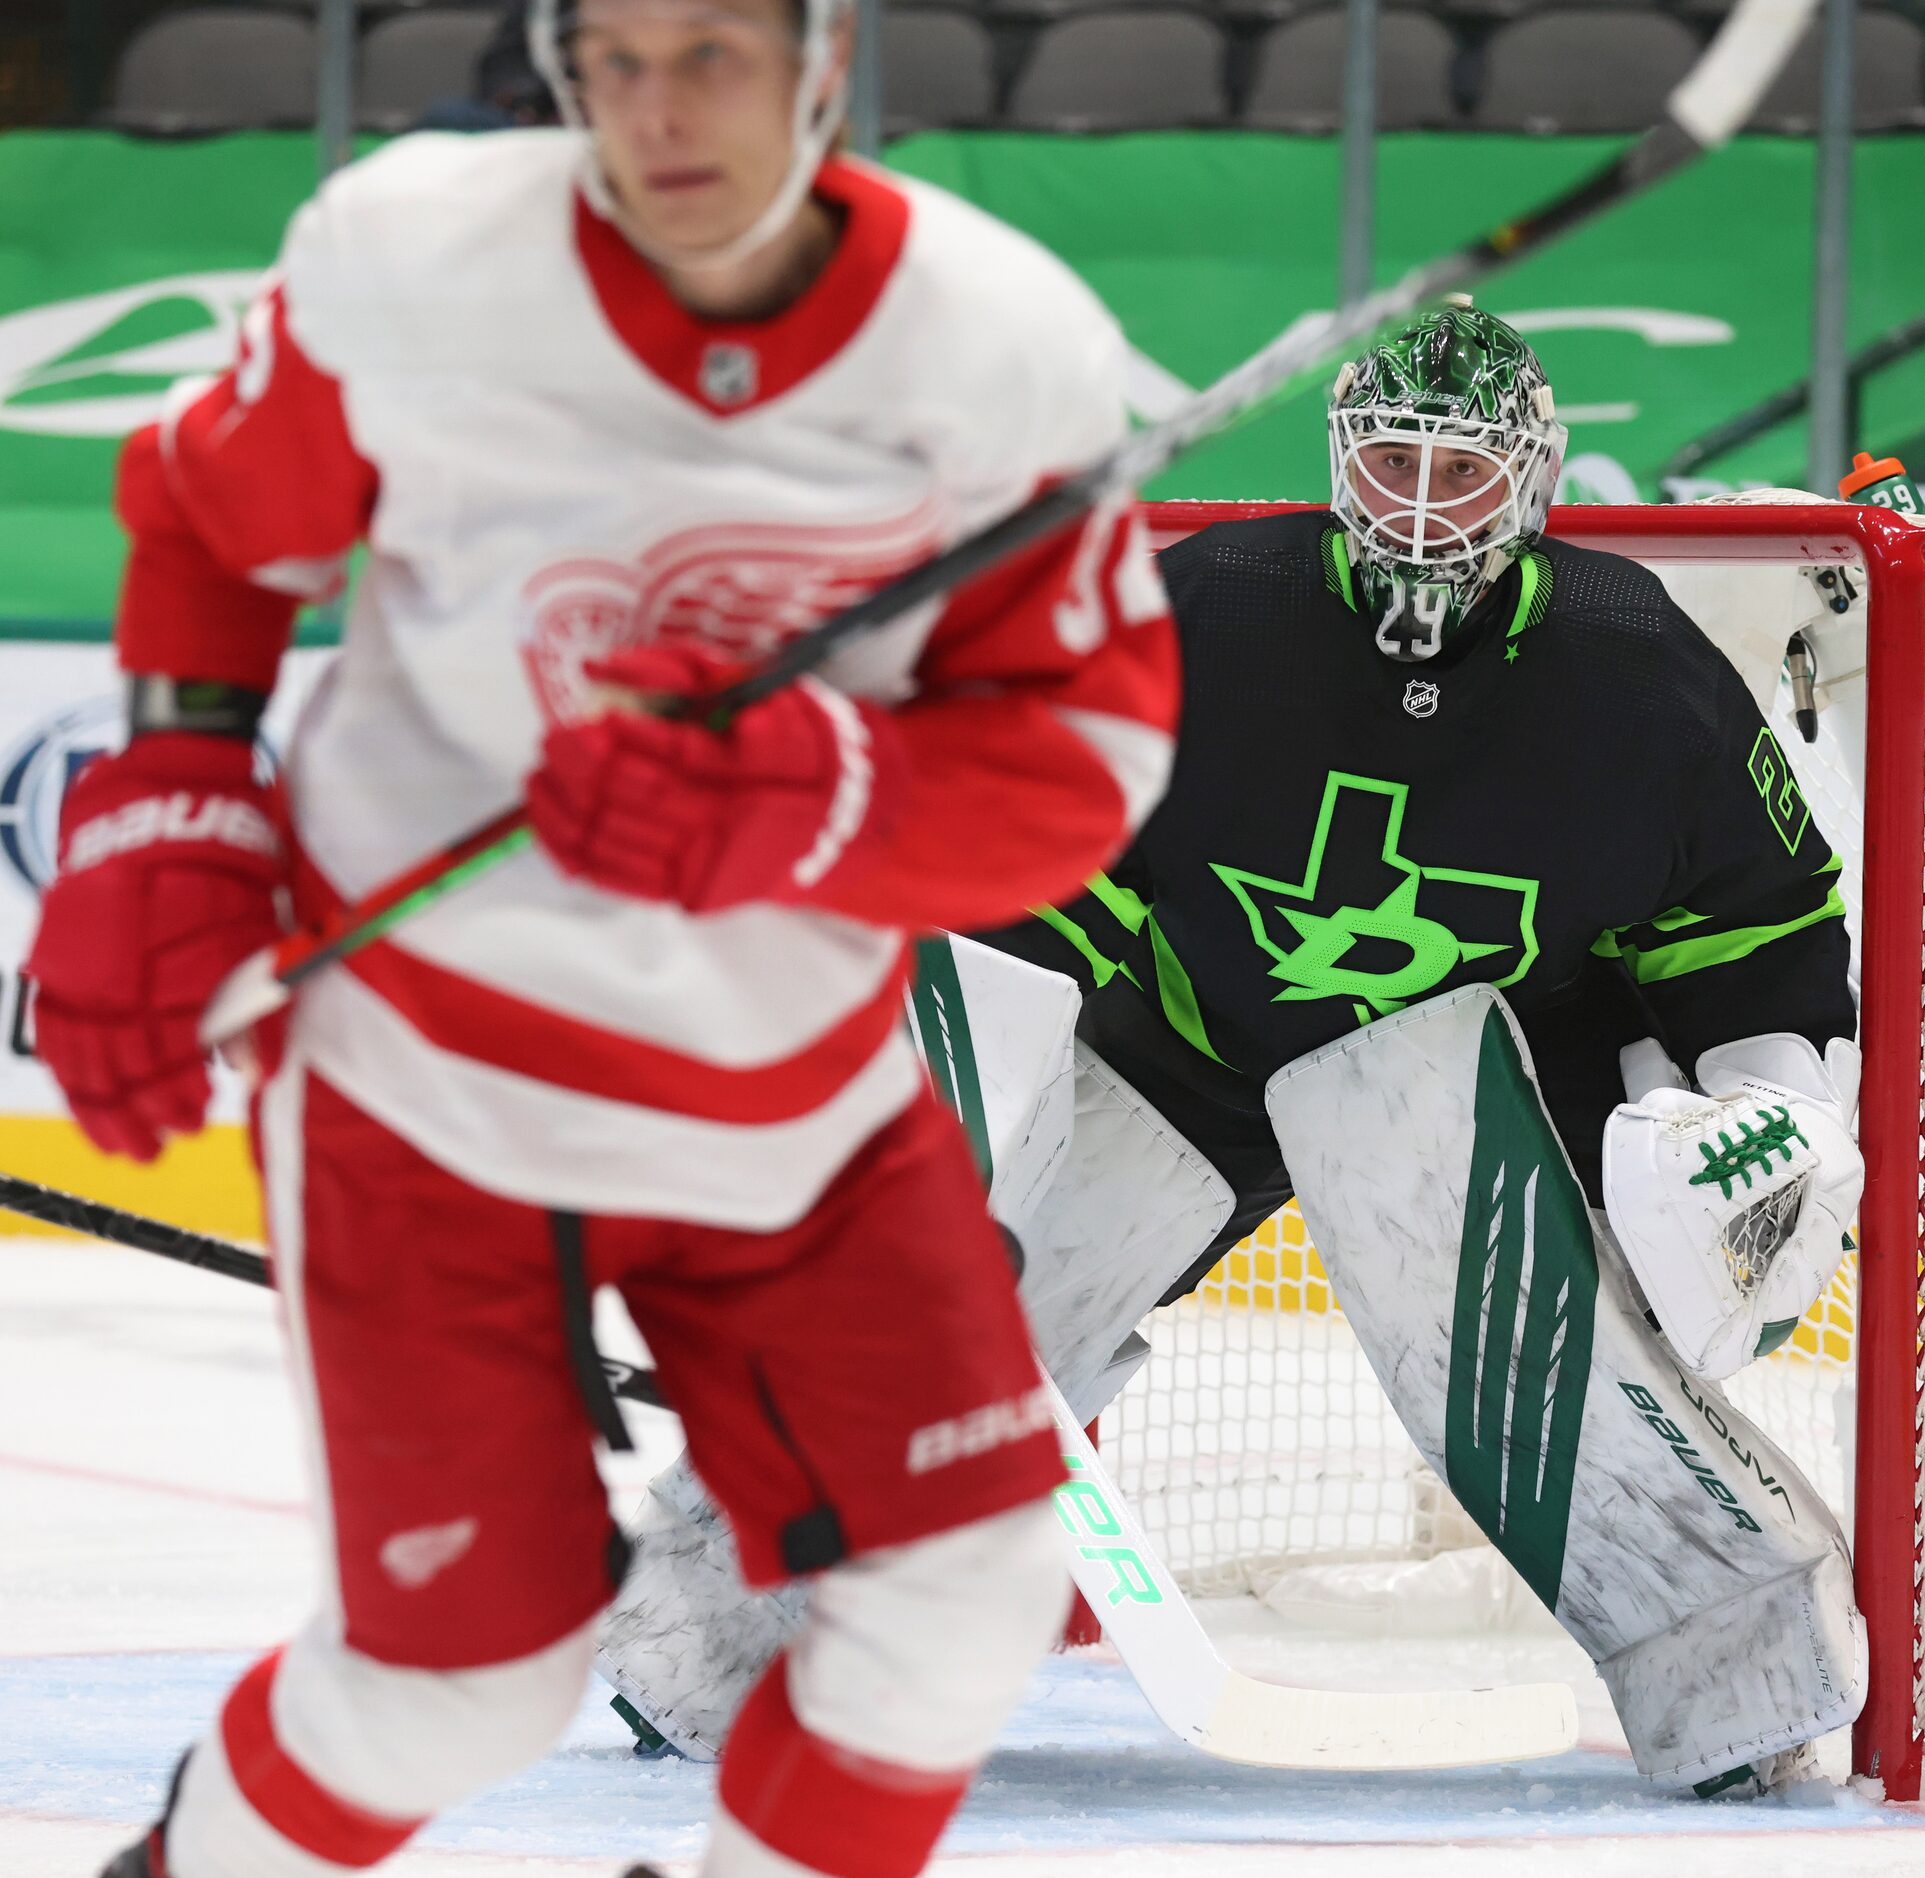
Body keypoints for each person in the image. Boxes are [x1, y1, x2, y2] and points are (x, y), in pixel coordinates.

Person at [28, 0, 1178, 1870]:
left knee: (963, 1604)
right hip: (431, 1084)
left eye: (713, 51)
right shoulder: (413, 258)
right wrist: (168, 809)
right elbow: (220, 532)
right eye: (612, 59)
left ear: (823, 61)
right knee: (457, 1680)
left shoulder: (1001, 339)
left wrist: (821, 790)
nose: (660, 110)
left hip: (796, 1109)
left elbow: (1089, 753)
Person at [597, 303, 1870, 1796]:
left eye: (1456, 472)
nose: (1414, 503)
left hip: (1448, 1076)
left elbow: (1750, 932)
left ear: (1533, 483)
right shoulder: (1204, 611)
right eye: (1389, 458)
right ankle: (709, 1643)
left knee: (1530, 1379)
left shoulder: (1636, 669)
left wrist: (1775, 1109)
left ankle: (1739, 1684)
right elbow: (1009, 893)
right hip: (1179, 1047)